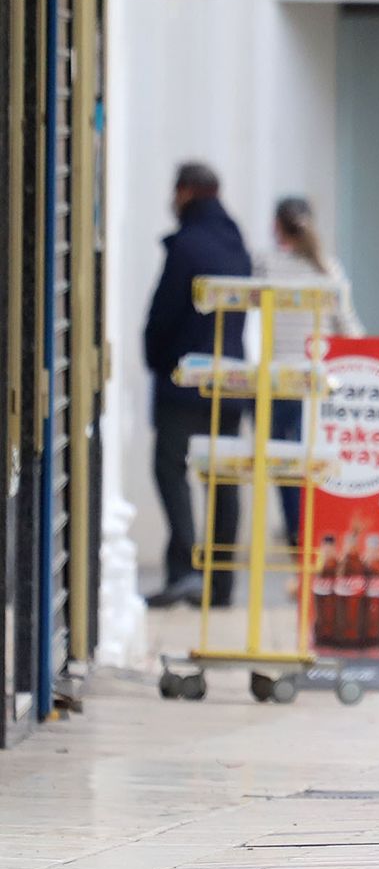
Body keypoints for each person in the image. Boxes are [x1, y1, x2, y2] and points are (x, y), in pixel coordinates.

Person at [143, 162, 252, 608]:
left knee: (170, 468)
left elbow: (163, 317)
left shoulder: (186, 247)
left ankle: (186, 569)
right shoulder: (236, 246)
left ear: (185, 192)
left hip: (182, 382)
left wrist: (156, 358)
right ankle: (221, 584)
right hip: (231, 382)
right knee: (223, 478)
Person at [255, 197, 364, 543]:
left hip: (276, 382)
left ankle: (295, 533)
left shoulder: (265, 266)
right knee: (315, 464)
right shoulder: (327, 269)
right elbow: (348, 328)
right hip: (318, 382)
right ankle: (317, 532)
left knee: (284, 465)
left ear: (276, 226)